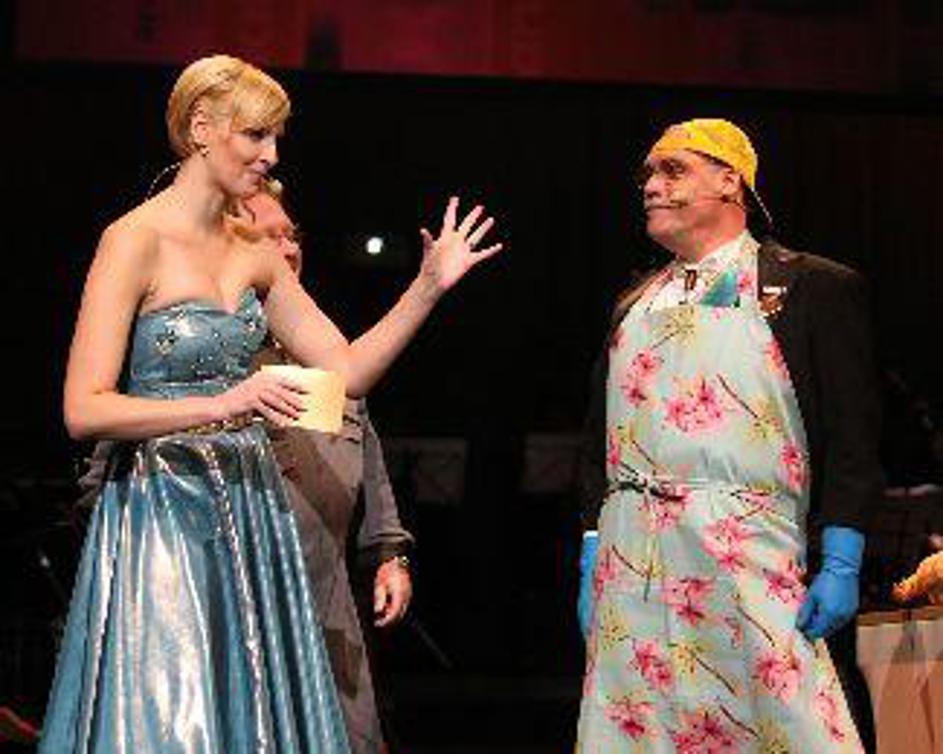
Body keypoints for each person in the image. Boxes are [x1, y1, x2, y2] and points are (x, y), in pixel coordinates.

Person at [40, 54, 501, 754]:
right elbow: (86, 409)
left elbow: (347, 374)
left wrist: (426, 287)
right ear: (201, 129)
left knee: (252, 715)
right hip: (164, 509)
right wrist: (224, 404)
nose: (271, 154)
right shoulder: (133, 240)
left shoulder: (255, 249)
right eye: (256, 135)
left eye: (276, 137)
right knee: (173, 714)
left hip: (251, 510)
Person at [575, 119, 881, 752]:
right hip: (634, 563)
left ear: (729, 181)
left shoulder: (809, 287)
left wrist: (842, 555)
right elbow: (596, 440)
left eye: (673, 170)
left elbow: (853, 435)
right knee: (644, 729)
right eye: (648, 176)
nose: (651, 187)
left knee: (785, 725)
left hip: (750, 556)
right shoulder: (634, 302)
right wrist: (592, 546)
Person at [238, 184, 414, 754]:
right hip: (241, 597)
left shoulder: (319, 350)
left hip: (326, 595)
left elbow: (363, 449)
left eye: (293, 236)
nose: (289, 249)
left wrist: (388, 551)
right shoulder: (207, 350)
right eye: (270, 237)